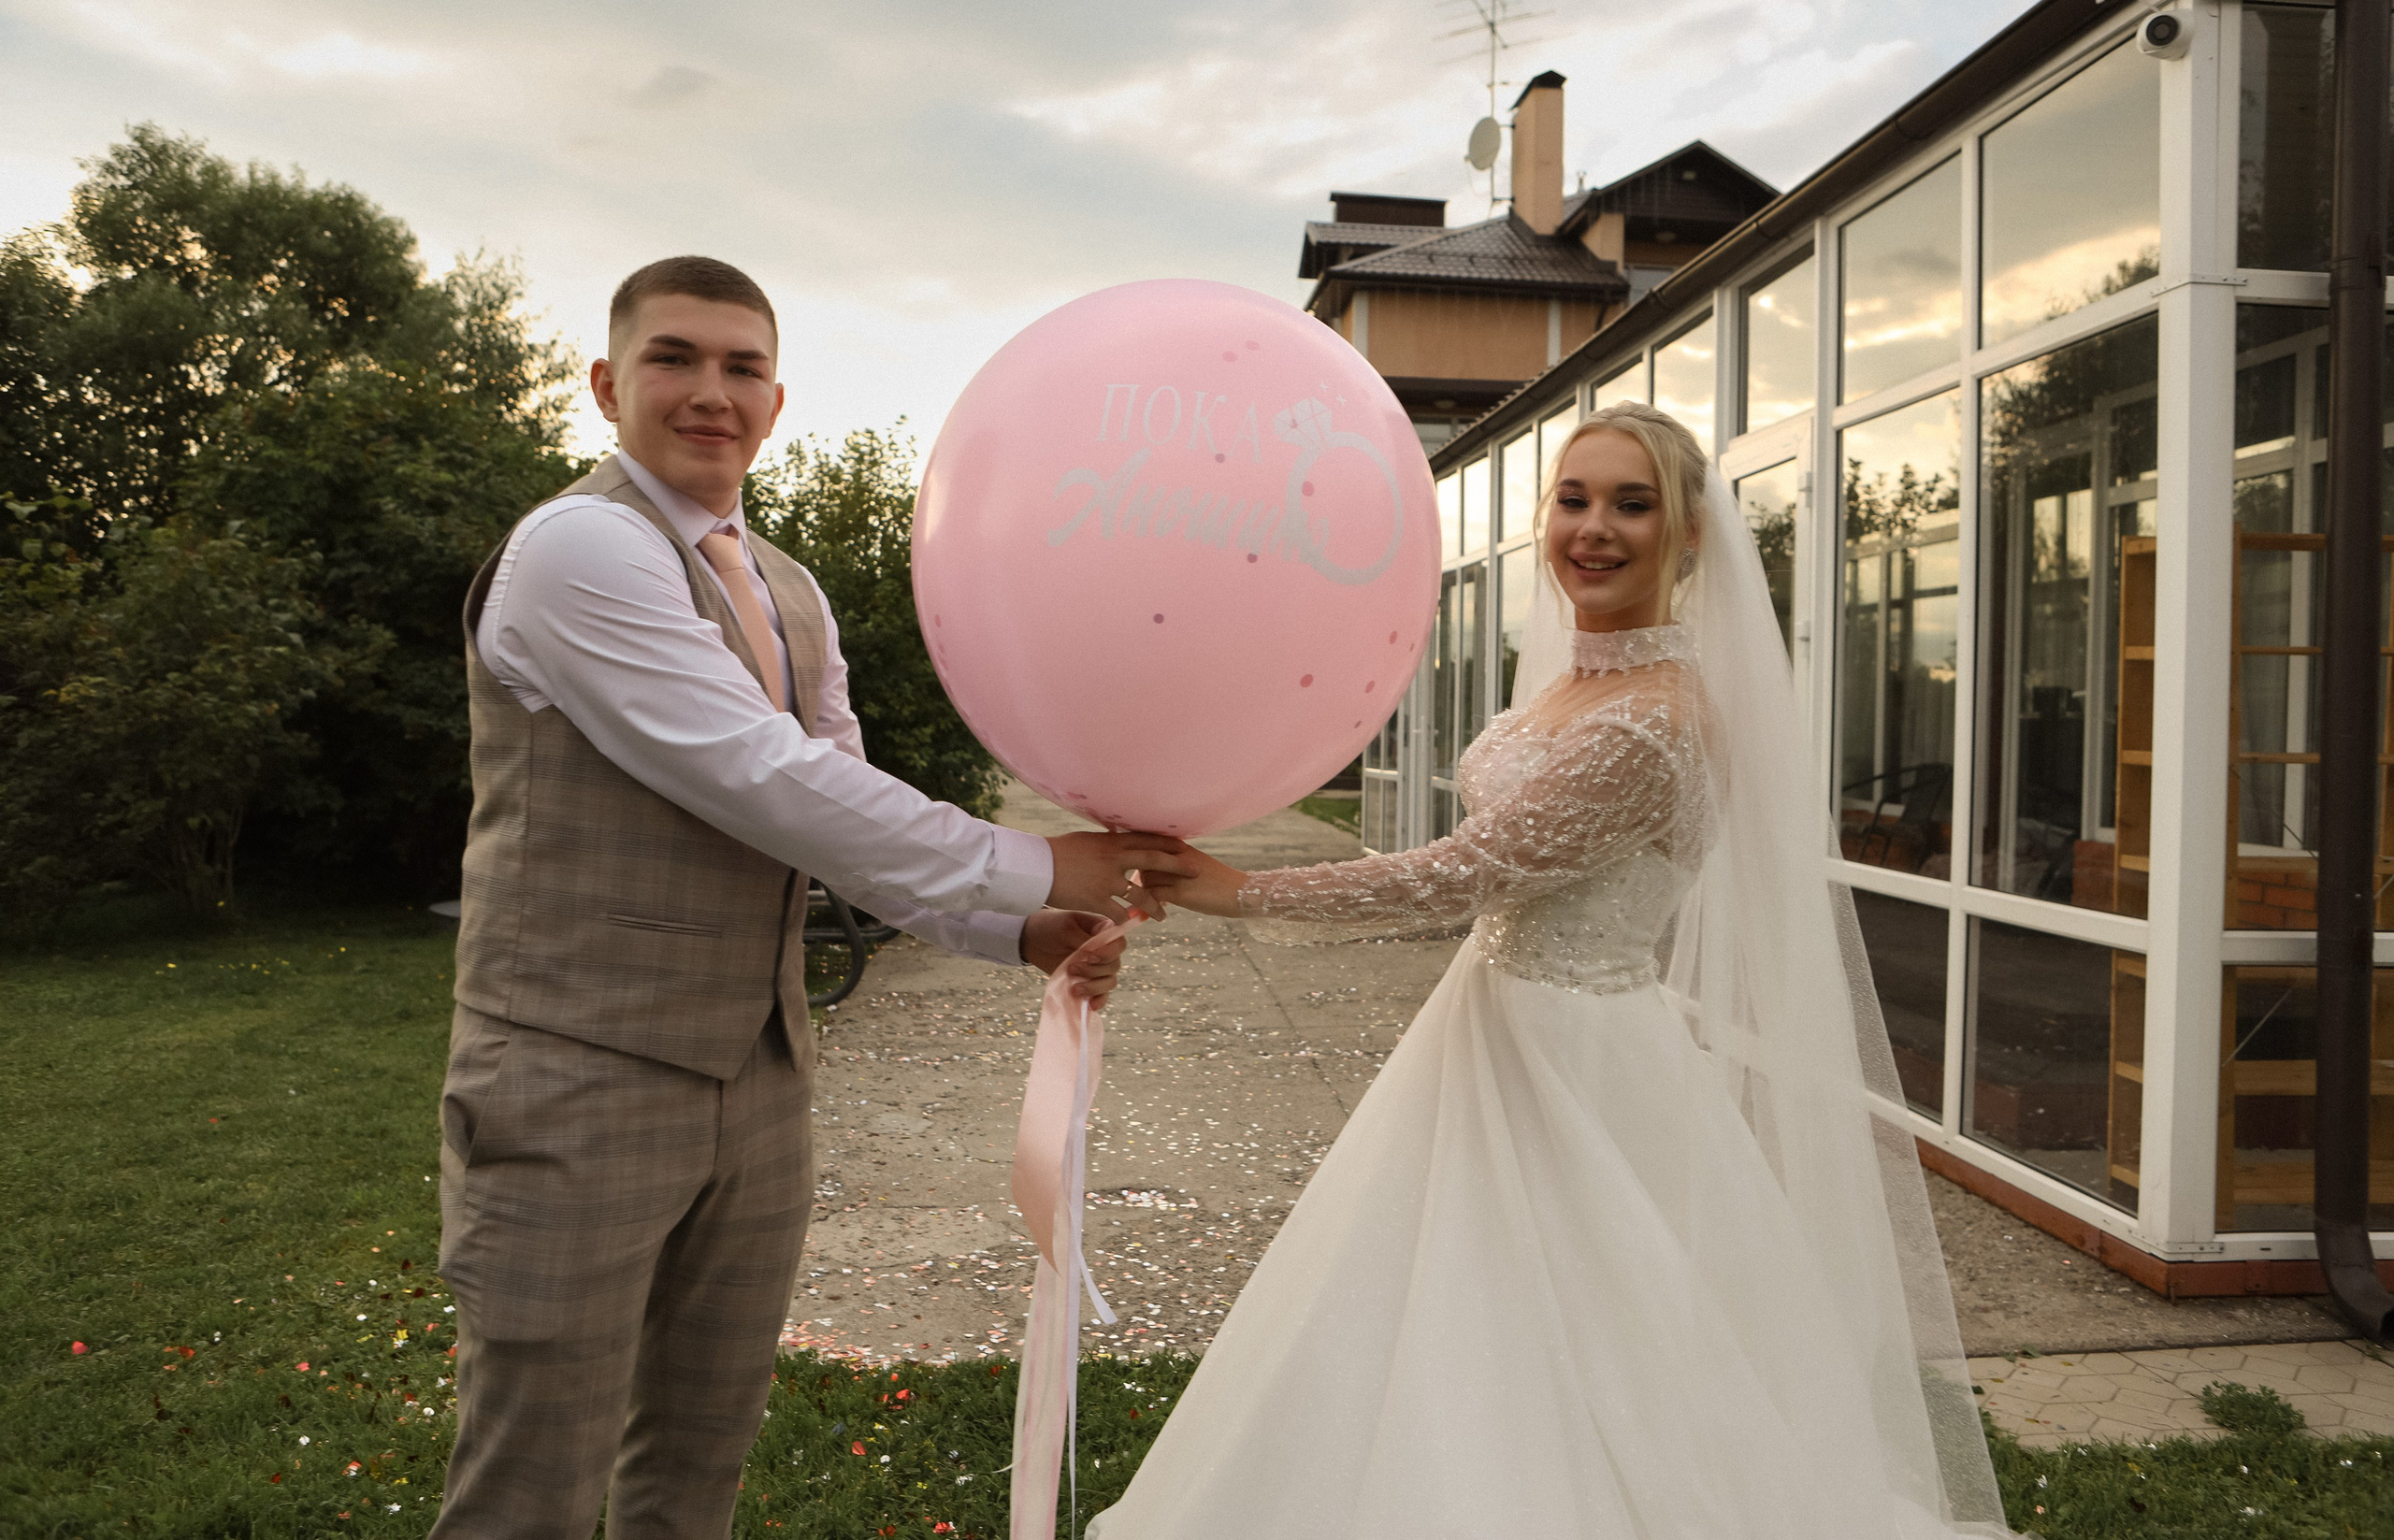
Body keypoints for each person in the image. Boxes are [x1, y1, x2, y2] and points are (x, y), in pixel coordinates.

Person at [1109, 402, 2012, 1538]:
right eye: (1573, 500)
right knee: (1444, 1303)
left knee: (1584, 1329)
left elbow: (1460, 874)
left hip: (1575, 1055)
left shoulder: (1650, 722)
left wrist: (1237, 892)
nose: (1593, 529)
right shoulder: (1578, 686)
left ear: (1688, 535)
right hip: (1496, 1022)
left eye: (1631, 504)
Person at [431, 255, 1190, 1540]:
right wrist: (1042, 859)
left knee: (695, 1470)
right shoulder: (576, 548)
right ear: (611, 383)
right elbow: (758, 775)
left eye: (741, 367)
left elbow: (842, 810)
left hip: (762, 1079)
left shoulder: (787, 585)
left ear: (777, 402)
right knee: (531, 1487)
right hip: (573, 1075)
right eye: (675, 358)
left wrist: (1018, 927)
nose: (710, 391)